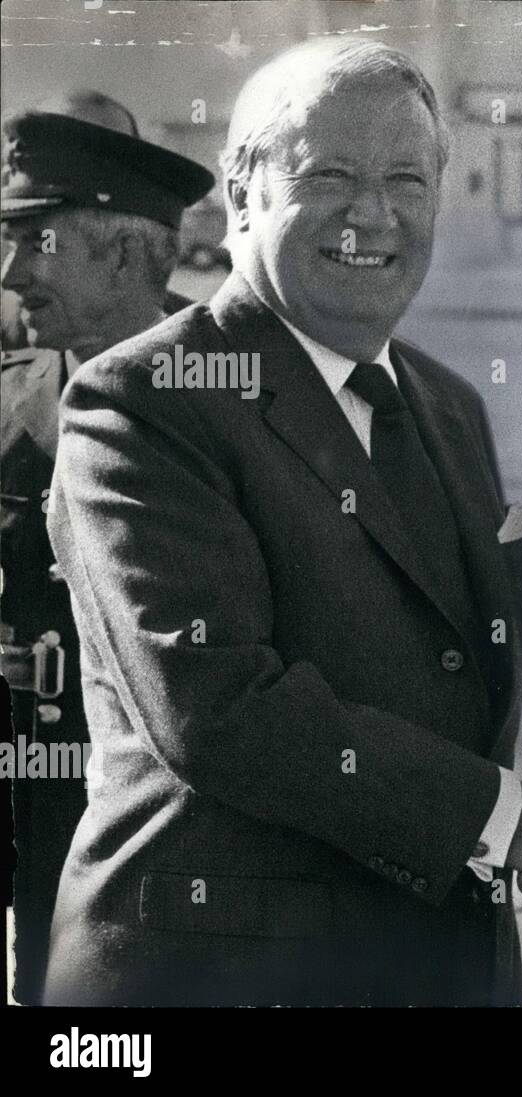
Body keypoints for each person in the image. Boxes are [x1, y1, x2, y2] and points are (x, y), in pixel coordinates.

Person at [42, 38, 522, 1006]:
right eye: (329, 177)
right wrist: (520, 825)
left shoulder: (449, 407)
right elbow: (221, 710)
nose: (374, 213)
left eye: (406, 179)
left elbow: (451, 714)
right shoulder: (144, 397)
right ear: (240, 197)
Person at [1, 92, 214, 1004]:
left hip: (186, 824)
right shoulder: (12, 404)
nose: (10, 273)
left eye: (33, 242)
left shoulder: (238, 398)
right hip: (35, 803)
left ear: (125, 249)